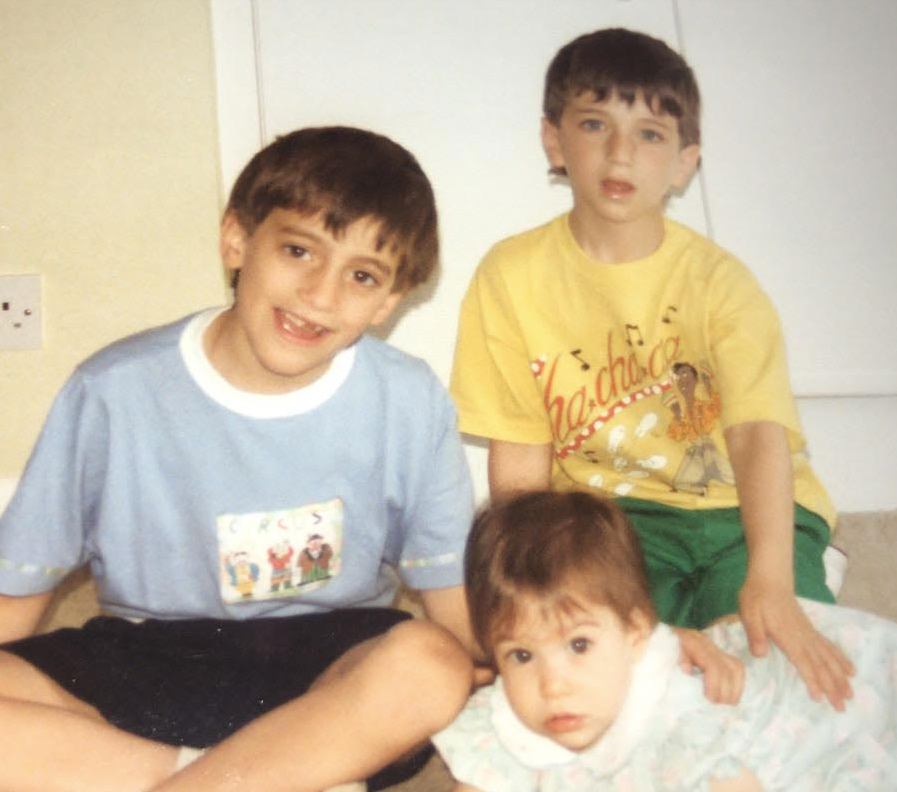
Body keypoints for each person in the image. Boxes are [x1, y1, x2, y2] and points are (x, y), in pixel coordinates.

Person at [0, 126, 478, 792]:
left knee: (433, 665)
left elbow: (454, 597)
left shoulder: (408, 399)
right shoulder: (111, 389)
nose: (319, 293)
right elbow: (18, 586)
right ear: (236, 240)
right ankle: (258, 780)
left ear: (387, 300)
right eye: (297, 250)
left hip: (328, 666)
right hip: (145, 654)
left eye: (361, 275)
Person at [449, 27, 854, 707]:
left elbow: (759, 436)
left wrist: (771, 579)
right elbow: (519, 466)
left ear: (683, 163)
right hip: (613, 524)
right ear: (553, 140)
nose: (618, 152)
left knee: (772, 670)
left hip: (742, 511)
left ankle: (802, 570)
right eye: (593, 123)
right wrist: (537, 589)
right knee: (621, 674)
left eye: (649, 135)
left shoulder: (720, 282)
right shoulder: (510, 276)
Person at [433, 490, 897, 792]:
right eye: (521, 654)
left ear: (636, 633)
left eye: (578, 646)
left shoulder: (679, 722)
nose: (553, 685)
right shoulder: (507, 722)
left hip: (792, 703)